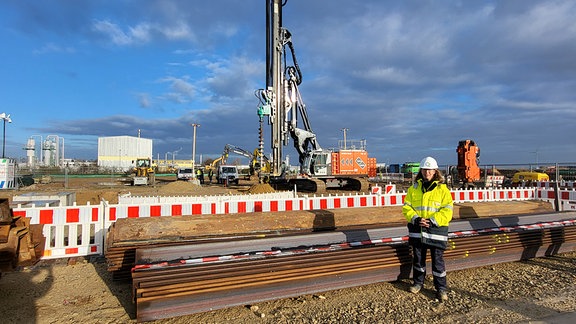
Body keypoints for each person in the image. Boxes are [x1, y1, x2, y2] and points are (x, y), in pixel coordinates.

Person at [402, 156, 453, 301]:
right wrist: (416, 219)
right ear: (421, 171)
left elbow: (447, 210)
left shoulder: (442, 190)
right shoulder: (414, 189)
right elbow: (407, 207)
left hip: (436, 231)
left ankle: (441, 289)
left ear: (435, 171)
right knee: (418, 260)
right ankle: (418, 283)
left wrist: (432, 221)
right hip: (418, 231)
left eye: (430, 170)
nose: (427, 173)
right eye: (424, 170)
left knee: (438, 262)